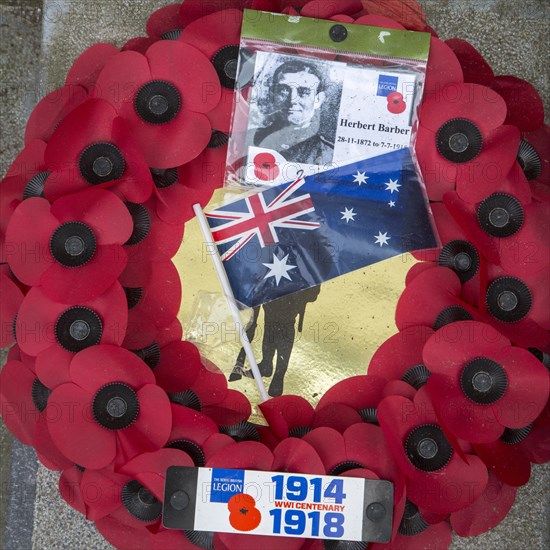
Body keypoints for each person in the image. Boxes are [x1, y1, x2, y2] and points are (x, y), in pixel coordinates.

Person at [253, 60, 334, 166]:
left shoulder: (326, 153)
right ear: (273, 95)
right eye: (283, 90)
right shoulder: (253, 138)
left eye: (304, 92)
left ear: (318, 99)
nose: (292, 100)